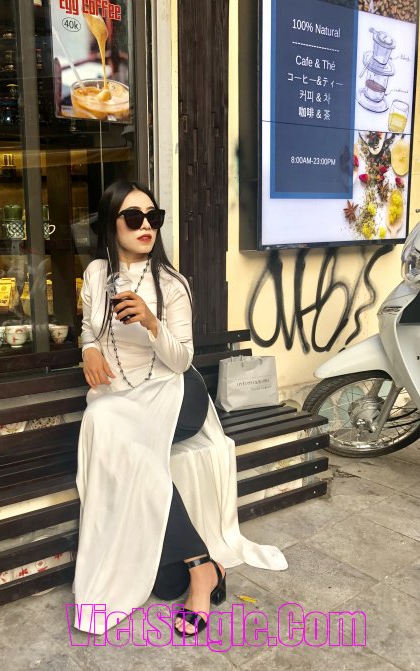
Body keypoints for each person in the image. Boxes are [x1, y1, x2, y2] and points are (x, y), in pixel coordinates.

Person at [72, 178, 288, 639]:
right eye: (134, 217)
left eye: (154, 217)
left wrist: (152, 323)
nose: (146, 226)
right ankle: (201, 564)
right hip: (119, 397)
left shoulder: (171, 283)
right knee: (108, 424)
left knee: (116, 433)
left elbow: (183, 360)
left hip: (176, 394)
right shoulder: (95, 274)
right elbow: (89, 327)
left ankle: (196, 570)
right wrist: (88, 349)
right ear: (111, 224)